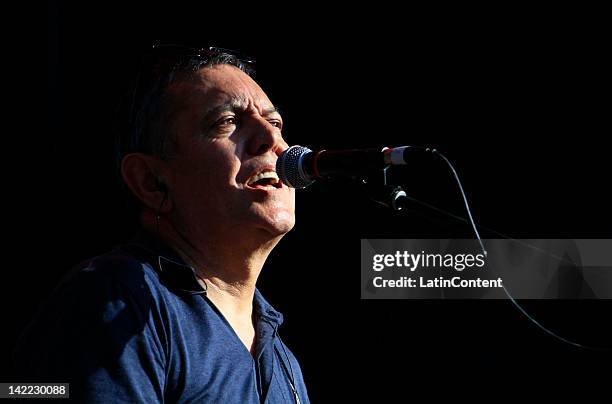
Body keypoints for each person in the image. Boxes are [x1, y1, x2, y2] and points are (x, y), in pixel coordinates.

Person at [13, 44, 310, 403]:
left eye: (275, 122)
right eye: (227, 122)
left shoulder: (283, 359)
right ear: (151, 181)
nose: (272, 140)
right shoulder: (117, 299)